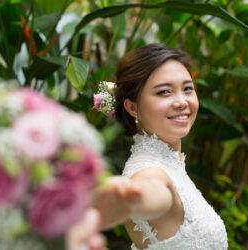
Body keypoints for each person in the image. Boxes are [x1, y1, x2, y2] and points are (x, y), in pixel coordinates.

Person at [92, 43, 228, 249]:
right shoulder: (148, 172)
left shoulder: (168, 162)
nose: (182, 101)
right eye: (164, 92)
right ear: (132, 107)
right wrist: (129, 197)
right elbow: (151, 192)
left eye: (187, 89)